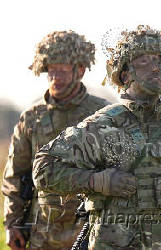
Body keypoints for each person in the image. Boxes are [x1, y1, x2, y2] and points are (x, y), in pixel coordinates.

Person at [33, 25, 161, 249]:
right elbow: (43, 168)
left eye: (160, 62)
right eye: (144, 61)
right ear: (125, 74)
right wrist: (96, 181)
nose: (155, 68)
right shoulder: (103, 125)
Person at [2, 31, 109, 249]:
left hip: (92, 230)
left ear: (80, 70)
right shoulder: (32, 117)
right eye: (51, 70)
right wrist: (12, 224)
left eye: (63, 70)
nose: (55, 77)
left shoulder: (102, 114)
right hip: (43, 233)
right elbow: (16, 175)